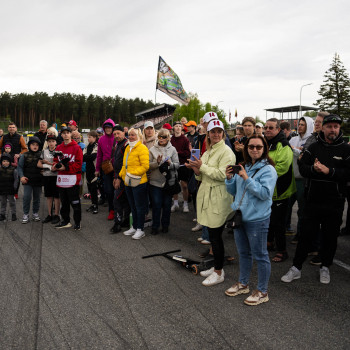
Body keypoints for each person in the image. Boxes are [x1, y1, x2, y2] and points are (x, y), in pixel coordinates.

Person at [282, 114, 350, 284]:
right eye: (329, 126)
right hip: (312, 200)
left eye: (336, 126)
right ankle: (296, 268)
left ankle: (325, 267)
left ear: (339, 128)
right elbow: (303, 167)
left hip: (335, 202)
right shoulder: (313, 146)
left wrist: (330, 171)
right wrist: (315, 169)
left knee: (330, 237)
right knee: (305, 235)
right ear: (323, 128)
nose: (333, 129)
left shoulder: (346, 149)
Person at [225, 135, 277, 305]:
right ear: (246, 148)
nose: (254, 149)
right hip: (241, 217)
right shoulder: (245, 165)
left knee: (261, 255)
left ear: (264, 149)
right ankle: (243, 283)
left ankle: (262, 291)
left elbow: (264, 194)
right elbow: (234, 191)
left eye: (258, 147)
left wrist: (247, 178)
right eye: (251, 146)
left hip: (257, 219)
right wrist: (230, 178)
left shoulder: (268, 170)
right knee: (244, 253)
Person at [187, 120, 235, 286]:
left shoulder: (226, 152)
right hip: (208, 194)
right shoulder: (209, 151)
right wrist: (196, 170)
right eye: (212, 132)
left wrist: (202, 167)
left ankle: (219, 272)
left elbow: (222, 175)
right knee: (214, 237)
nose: (215, 134)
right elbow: (203, 175)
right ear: (208, 134)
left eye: (218, 131)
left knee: (216, 237)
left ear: (223, 133)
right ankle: (216, 266)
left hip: (218, 197)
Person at [264, 118, 296, 262]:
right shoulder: (266, 143)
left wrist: (263, 173)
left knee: (279, 222)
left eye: (271, 128)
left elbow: (282, 167)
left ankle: (282, 250)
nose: (268, 130)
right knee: (269, 218)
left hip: (281, 190)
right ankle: (269, 242)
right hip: (269, 189)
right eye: (266, 127)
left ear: (278, 129)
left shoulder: (284, 145)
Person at [286, 117, 314, 238]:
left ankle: (300, 234)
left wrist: (296, 151)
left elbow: (305, 157)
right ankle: (286, 227)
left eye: (303, 124)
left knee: (302, 209)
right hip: (291, 178)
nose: (300, 126)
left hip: (303, 180)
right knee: (287, 206)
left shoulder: (311, 141)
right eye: (299, 124)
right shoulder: (293, 139)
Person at [120, 128, 149, 240]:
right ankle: (134, 226)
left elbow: (145, 166)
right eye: (129, 135)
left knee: (139, 207)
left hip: (139, 182)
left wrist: (131, 174)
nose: (131, 137)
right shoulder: (128, 147)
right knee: (132, 206)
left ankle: (140, 229)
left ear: (138, 136)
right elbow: (124, 165)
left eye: (133, 135)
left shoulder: (142, 148)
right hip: (128, 181)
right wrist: (123, 176)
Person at [149, 128, 179, 234]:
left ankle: (165, 225)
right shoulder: (152, 149)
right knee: (156, 204)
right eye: (159, 137)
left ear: (168, 138)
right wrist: (156, 163)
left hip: (168, 182)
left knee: (167, 205)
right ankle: (155, 226)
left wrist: (170, 163)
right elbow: (147, 166)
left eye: (164, 137)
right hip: (155, 181)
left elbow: (177, 165)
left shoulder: (173, 149)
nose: (161, 139)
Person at [52, 126, 83, 230]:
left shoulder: (76, 147)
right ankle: (66, 221)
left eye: (67, 133)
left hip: (72, 179)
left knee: (75, 202)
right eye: (63, 133)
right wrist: (55, 165)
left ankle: (77, 222)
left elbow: (79, 164)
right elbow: (55, 160)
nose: (65, 134)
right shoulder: (59, 147)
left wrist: (66, 167)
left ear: (71, 134)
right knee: (64, 202)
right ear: (61, 135)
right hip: (62, 179)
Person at [17, 137, 43, 224]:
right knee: (27, 197)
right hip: (27, 180)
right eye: (33, 144)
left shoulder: (42, 155)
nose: (35, 146)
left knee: (37, 198)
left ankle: (35, 213)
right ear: (29, 145)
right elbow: (19, 167)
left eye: (36, 145)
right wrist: (21, 176)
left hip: (38, 180)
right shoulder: (24, 155)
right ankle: (26, 214)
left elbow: (46, 166)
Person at [110, 125, 130, 233]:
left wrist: (118, 178)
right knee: (124, 200)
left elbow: (125, 164)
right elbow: (116, 163)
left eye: (118, 133)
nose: (116, 136)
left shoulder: (126, 145)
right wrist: (115, 177)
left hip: (124, 177)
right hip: (118, 176)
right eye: (114, 134)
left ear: (123, 132)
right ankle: (126, 220)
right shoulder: (118, 144)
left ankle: (117, 223)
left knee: (116, 199)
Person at [95, 118, 116, 220]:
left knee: (117, 190)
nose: (108, 129)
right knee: (108, 190)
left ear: (113, 128)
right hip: (106, 168)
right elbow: (99, 155)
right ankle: (111, 210)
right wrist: (97, 169)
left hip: (117, 168)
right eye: (106, 127)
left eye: (110, 127)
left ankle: (118, 210)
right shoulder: (101, 139)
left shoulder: (117, 137)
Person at [38, 134, 61, 224]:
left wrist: (55, 167)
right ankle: (49, 215)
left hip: (57, 176)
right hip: (47, 176)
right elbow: (39, 164)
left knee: (56, 196)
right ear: (47, 142)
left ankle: (56, 215)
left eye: (53, 141)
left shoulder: (59, 151)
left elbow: (62, 163)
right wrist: (47, 166)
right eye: (49, 141)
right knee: (48, 196)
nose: (51, 143)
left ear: (56, 142)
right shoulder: (44, 152)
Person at [170, 121, 191, 213]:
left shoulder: (185, 139)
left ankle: (185, 204)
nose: (178, 128)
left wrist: (178, 153)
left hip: (183, 164)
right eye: (176, 126)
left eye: (179, 126)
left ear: (182, 128)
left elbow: (188, 152)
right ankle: (175, 203)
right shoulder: (171, 139)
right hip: (174, 164)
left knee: (184, 185)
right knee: (174, 185)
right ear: (173, 128)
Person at [83, 130, 99, 214]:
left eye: (90, 137)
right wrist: (87, 157)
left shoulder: (96, 146)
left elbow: (93, 157)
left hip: (94, 170)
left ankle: (96, 205)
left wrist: (87, 157)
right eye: (88, 137)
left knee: (94, 188)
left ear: (94, 137)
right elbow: (83, 157)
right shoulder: (87, 146)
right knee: (89, 188)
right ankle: (92, 204)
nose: (88, 138)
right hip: (88, 169)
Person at [0, 153, 18, 221]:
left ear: (10, 162)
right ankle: (2, 214)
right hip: (2, 189)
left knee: (12, 202)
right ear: (1, 162)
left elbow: (16, 180)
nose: (5, 163)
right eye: (4, 161)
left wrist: (14, 188)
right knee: (3, 203)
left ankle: (13, 214)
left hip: (10, 189)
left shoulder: (14, 170)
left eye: (7, 161)